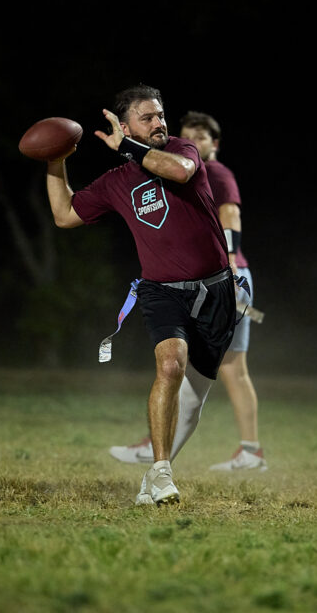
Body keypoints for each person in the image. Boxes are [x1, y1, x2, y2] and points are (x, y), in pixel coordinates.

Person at [43, 84, 236, 506]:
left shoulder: (182, 149)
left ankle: (153, 476)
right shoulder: (117, 182)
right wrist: (55, 161)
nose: (158, 123)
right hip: (161, 292)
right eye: (147, 118)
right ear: (126, 125)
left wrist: (128, 148)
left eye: (160, 115)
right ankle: (163, 471)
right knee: (170, 366)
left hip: (216, 292)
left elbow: (180, 172)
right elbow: (64, 214)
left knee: (193, 402)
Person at [109, 111, 267, 471]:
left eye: (201, 137)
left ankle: (165, 447)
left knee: (205, 367)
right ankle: (247, 451)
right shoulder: (178, 172)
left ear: (215, 143)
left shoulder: (215, 172)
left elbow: (231, 216)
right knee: (200, 367)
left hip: (225, 277)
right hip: (214, 278)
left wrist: (231, 267)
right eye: (188, 136)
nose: (192, 142)